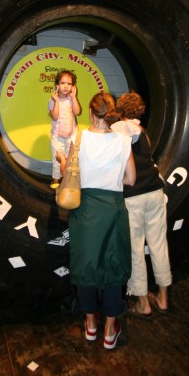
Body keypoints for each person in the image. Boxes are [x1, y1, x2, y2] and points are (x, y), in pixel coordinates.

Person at [56, 92, 136, 349]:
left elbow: (69, 173)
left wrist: (61, 161)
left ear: (91, 113)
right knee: (114, 268)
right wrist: (111, 180)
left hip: (86, 210)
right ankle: (110, 330)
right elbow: (131, 179)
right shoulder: (124, 140)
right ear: (111, 113)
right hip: (113, 209)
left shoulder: (79, 138)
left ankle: (91, 325)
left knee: (86, 266)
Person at [112, 92, 172, 316]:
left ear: (120, 109)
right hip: (155, 192)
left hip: (132, 196)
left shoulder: (116, 131)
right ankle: (163, 298)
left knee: (136, 249)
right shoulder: (144, 133)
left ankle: (143, 303)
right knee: (159, 245)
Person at [48, 69, 81, 189]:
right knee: (57, 158)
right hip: (57, 136)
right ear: (57, 85)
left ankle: (68, 182)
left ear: (73, 86)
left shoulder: (71, 100)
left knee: (70, 159)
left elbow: (77, 112)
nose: (66, 86)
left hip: (71, 134)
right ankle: (56, 180)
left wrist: (74, 97)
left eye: (69, 83)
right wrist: (56, 101)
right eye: (62, 83)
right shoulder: (52, 101)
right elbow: (55, 116)